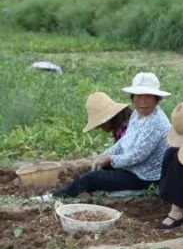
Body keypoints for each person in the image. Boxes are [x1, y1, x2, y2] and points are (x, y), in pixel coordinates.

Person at [36, 73, 170, 202]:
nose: (143, 101)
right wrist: (105, 155)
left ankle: (54, 198)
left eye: (148, 96)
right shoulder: (137, 113)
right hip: (133, 169)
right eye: (138, 96)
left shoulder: (156, 123)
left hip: (144, 176)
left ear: (157, 98)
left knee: (90, 179)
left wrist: (111, 159)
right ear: (132, 97)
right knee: (99, 170)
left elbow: (137, 156)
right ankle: (68, 192)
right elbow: (125, 140)